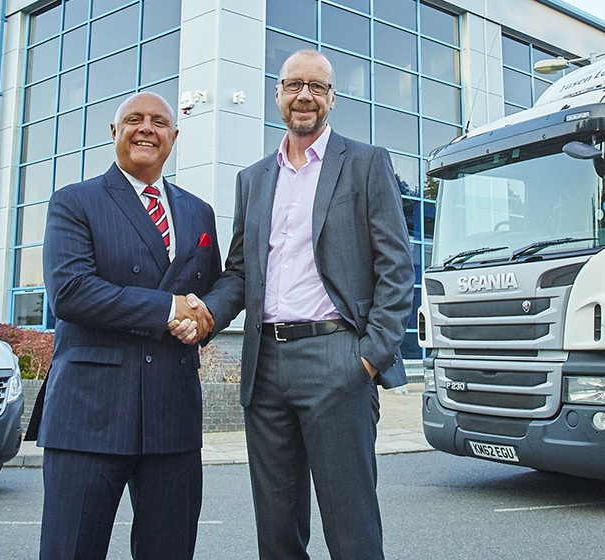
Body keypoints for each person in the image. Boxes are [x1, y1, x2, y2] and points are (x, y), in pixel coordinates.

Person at [197, 49, 414, 559]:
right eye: (295, 85)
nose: (305, 96)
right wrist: (205, 315)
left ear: (332, 99)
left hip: (337, 358)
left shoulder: (365, 163)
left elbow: (396, 268)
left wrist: (367, 357)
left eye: (317, 87)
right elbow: (239, 271)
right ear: (277, 94)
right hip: (265, 366)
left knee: (351, 525)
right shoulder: (252, 180)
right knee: (276, 531)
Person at [37, 91, 222, 559]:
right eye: (134, 120)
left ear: (173, 137)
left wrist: (203, 321)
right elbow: (71, 291)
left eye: (159, 122)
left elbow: (212, 292)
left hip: (172, 414)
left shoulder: (199, 212)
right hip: (89, 413)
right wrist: (168, 311)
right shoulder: (74, 202)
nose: (147, 128)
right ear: (114, 133)